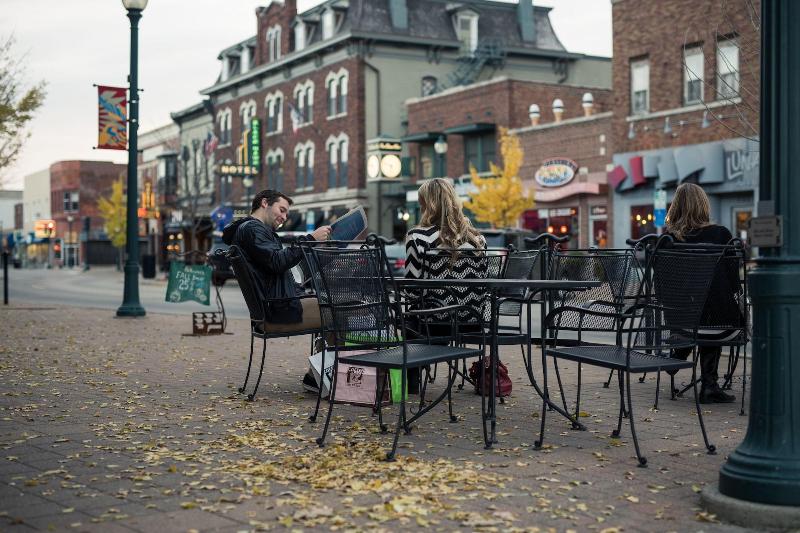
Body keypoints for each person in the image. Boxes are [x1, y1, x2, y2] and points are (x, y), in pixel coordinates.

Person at [404, 178, 487, 392]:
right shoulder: (478, 239)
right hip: (472, 319)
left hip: (433, 321)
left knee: (408, 318)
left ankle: (412, 377)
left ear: (427, 205)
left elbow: (412, 288)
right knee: (426, 315)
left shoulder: (417, 236)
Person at [665, 182, 741, 403]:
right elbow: (733, 280)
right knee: (714, 310)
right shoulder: (721, 234)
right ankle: (709, 385)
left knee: (699, 315)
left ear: (675, 207)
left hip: (679, 318)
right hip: (718, 321)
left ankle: (679, 352)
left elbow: (663, 285)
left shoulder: (668, 239)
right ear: (703, 205)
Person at [222, 189, 330, 333]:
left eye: (286, 214)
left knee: (331, 303)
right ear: (265, 203)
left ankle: (324, 348)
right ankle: (330, 348)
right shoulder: (253, 229)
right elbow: (277, 261)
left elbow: (273, 267)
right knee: (340, 310)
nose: (284, 217)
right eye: (282, 210)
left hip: (273, 308)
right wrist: (311, 238)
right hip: (277, 312)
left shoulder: (251, 230)